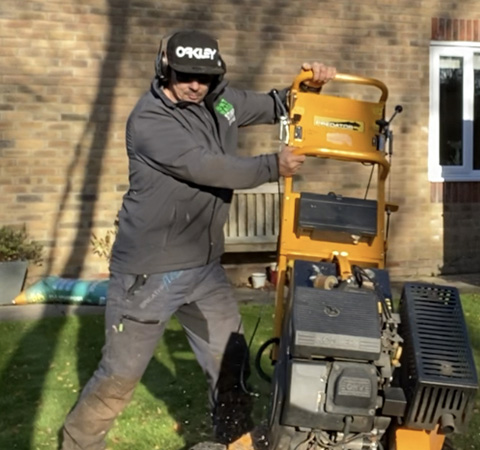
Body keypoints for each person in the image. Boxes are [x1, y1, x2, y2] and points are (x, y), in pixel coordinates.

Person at [60, 29, 336, 450]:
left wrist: (308, 87)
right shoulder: (150, 120)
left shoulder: (219, 101)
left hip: (204, 267)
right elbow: (207, 167)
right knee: (120, 377)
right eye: (186, 76)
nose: (195, 85)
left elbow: (275, 103)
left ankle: (235, 441)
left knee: (231, 361)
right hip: (149, 274)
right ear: (165, 69)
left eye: (205, 77)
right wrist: (271, 165)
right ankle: (77, 443)